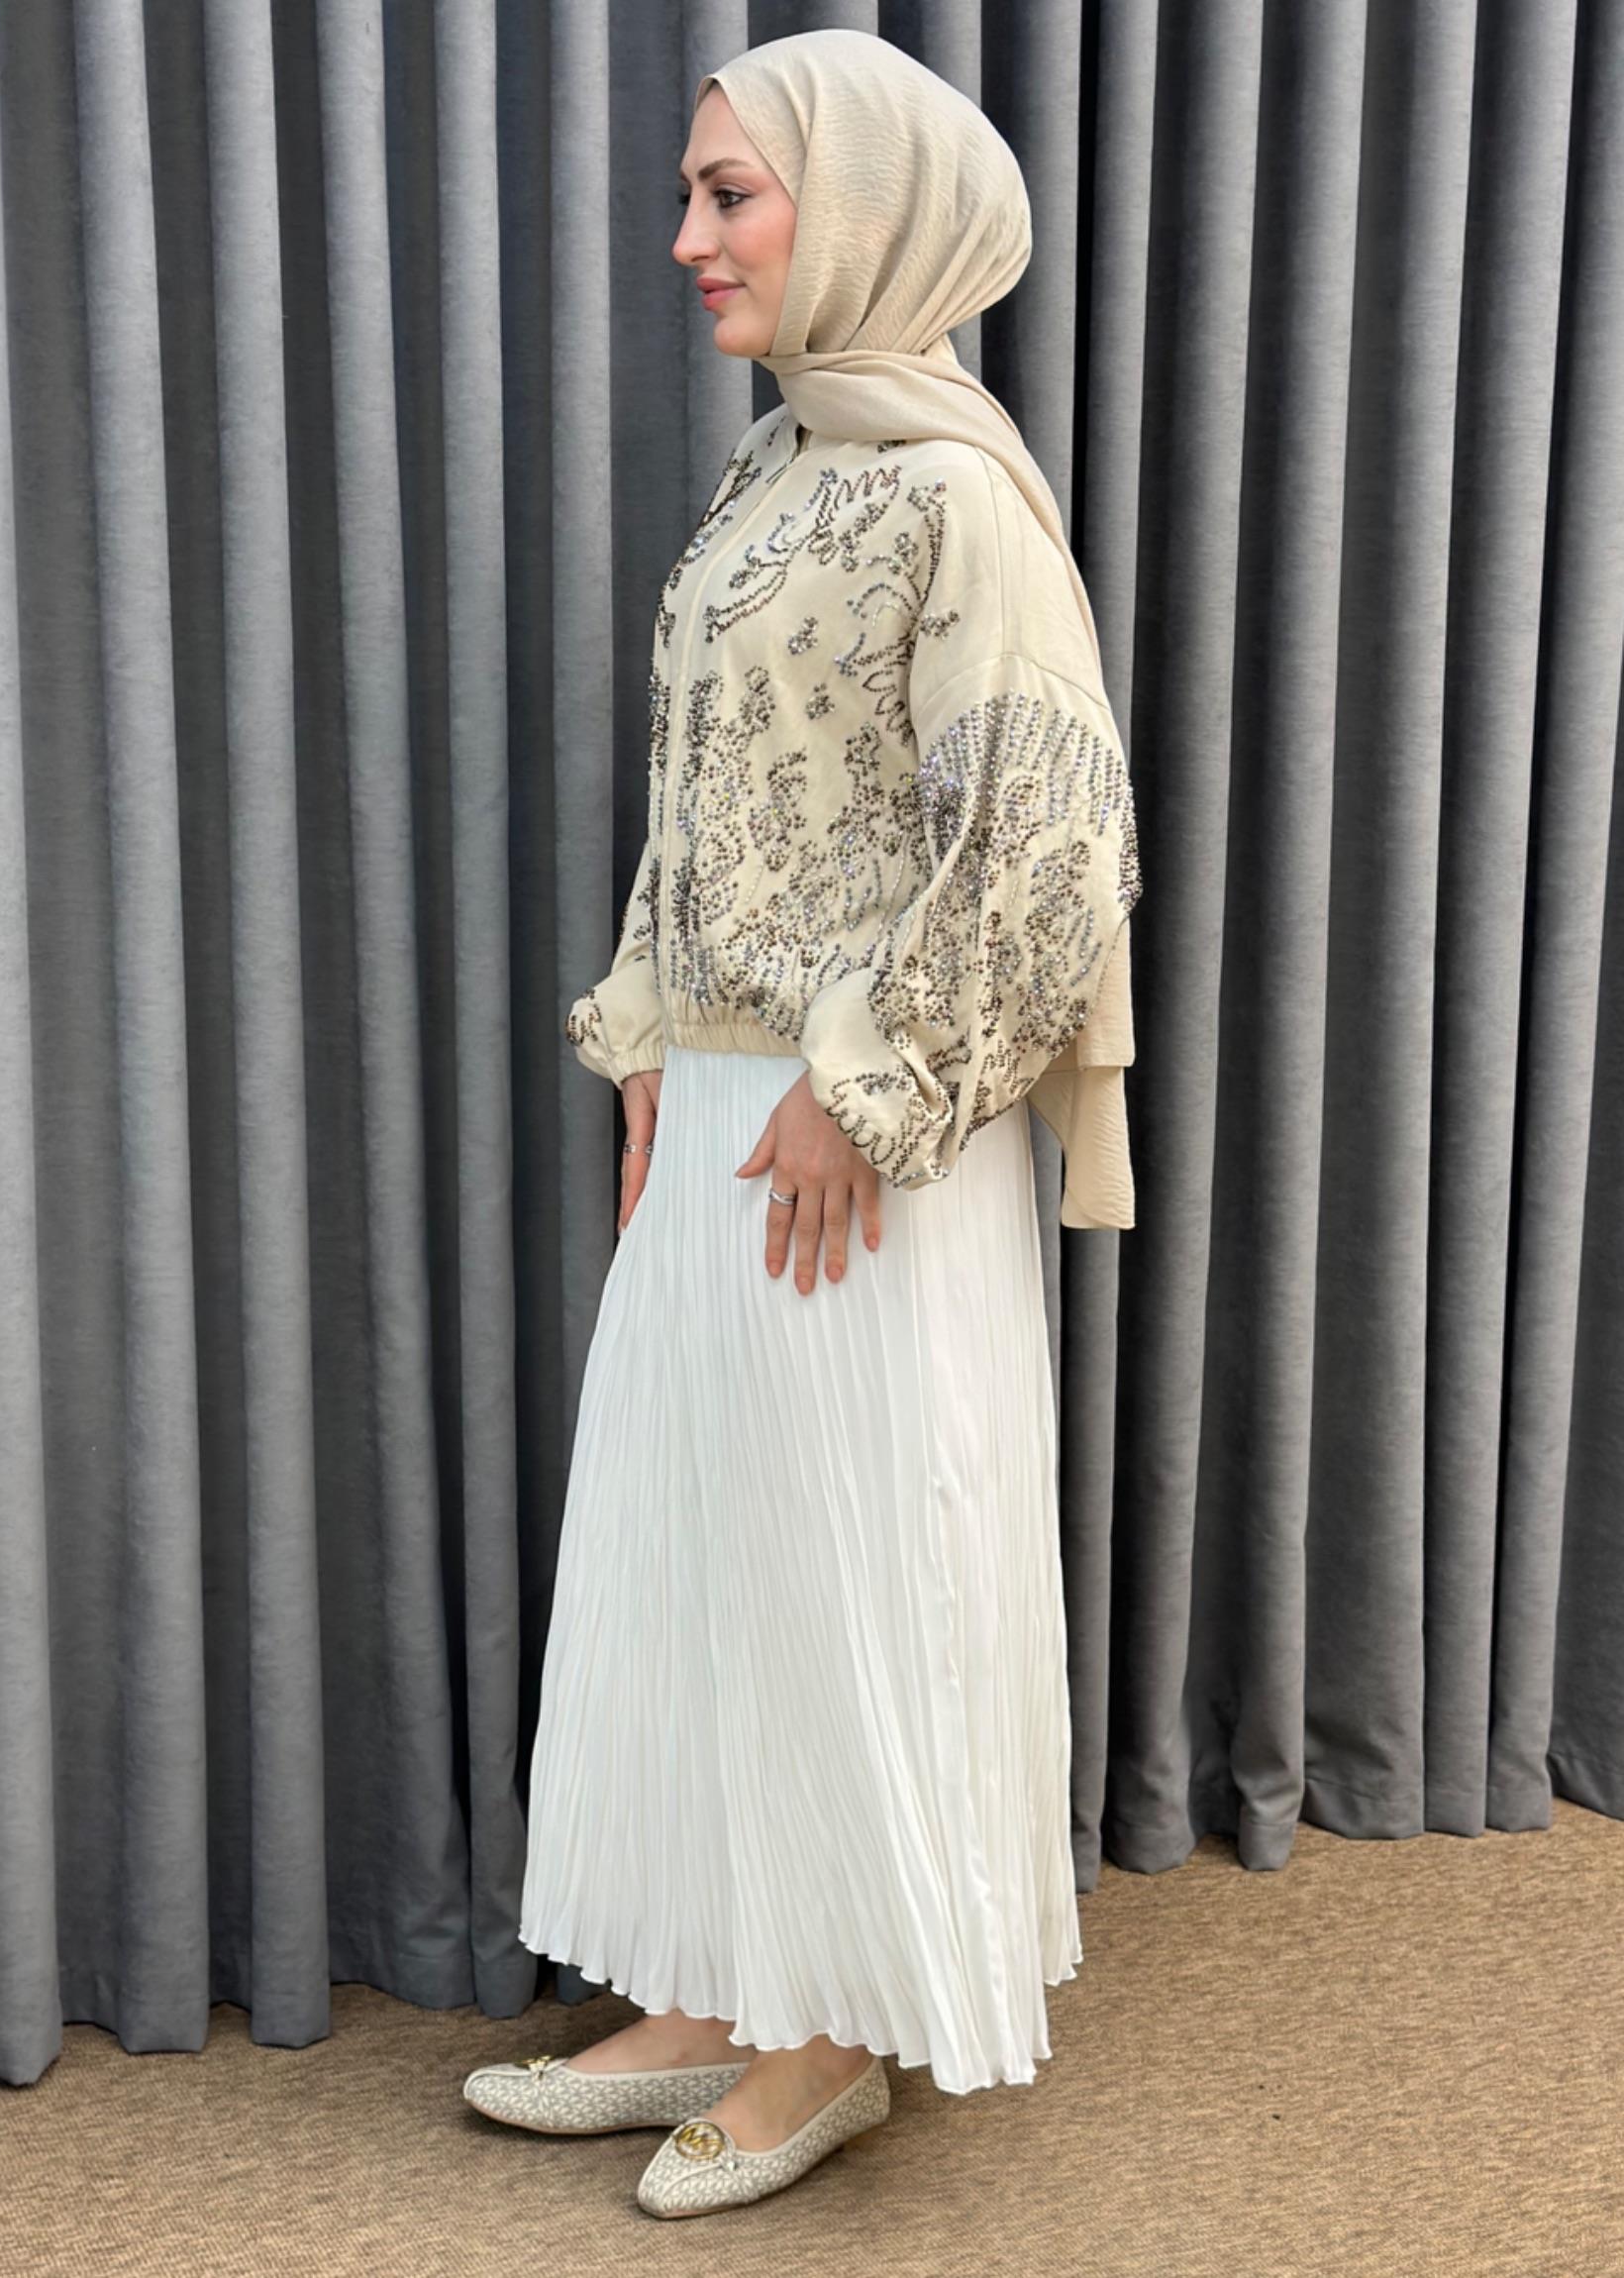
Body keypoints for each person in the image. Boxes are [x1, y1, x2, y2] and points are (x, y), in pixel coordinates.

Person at [462, 27, 1144, 2220]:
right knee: (709, 1542)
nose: (687, 236)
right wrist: (655, 1044)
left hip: (865, 1136)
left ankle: (833, 2027)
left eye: (729, 194)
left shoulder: (954, 497)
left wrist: (873, 1086)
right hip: (729, 1107)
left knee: (849, 1549)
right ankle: (710, 1980)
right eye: (693, 192)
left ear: (858, 209)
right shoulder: (776, 471)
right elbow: (704, 804)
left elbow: (1049, 846)